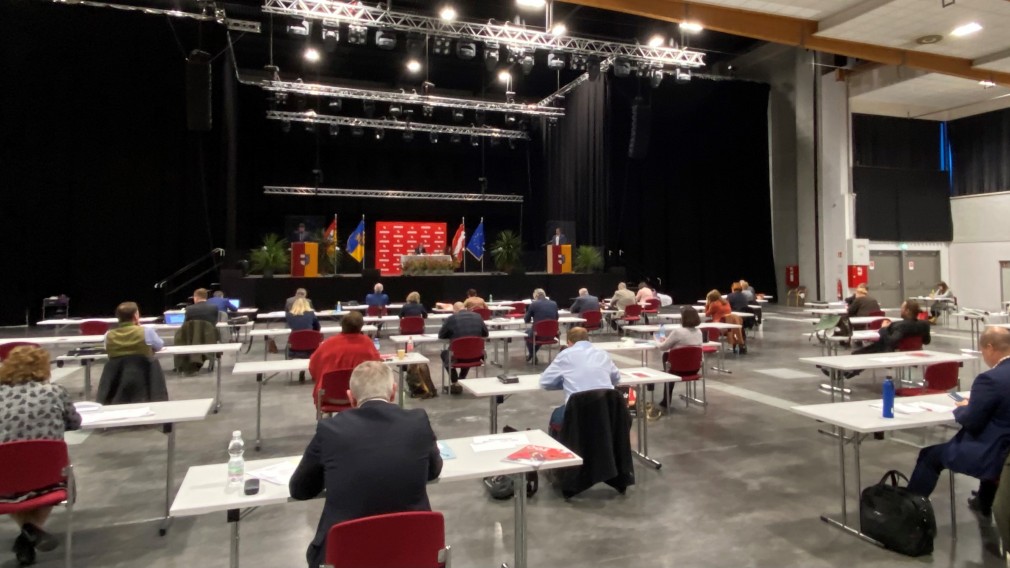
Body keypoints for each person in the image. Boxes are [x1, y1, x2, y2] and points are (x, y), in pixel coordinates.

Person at [290, 361, 442, 568]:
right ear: (393, 393)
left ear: (350, 398)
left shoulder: (329, 430)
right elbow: (433, 471)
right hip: (415, 551)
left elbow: (300, 489)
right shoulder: (418, 421)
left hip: (345, 555)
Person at [906, 327, 1010, 518]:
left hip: (995, 453)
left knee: (929, 456)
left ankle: (910, 511)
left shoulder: (990, 379)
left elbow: (972, 421)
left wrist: (963, 407)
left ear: (990, 347)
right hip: (1005, 450)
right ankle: (984, 502)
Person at [0, 346, 82, 565]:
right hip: (49, 479)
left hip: (4, 481)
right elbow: (75, 423)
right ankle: (30, 531)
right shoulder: (55, 392)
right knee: (49, 471)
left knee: (12, 478)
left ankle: (26, 535)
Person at [540, 327, 620, 434]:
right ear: (588, 340)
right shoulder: (603, 354)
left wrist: (565, 382)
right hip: (607, 410)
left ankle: (565, 448)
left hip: (577, 412)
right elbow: (616, 378)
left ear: (569, 342)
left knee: (557, 416)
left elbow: (545, 382)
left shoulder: (565, 355)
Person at [308, 311, 380, 403]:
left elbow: (313, 366)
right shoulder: (368, 343)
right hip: (360, 397)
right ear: (361, 326)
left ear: (342, 325)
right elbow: (377, 369)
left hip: (327, 396)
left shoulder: (327, 344)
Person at [655, 307, 704, 410]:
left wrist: (657, 341)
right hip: (694, 369)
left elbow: (663, 347)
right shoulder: (699, 332)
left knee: (666, 356)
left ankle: (666, 400)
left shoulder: (678, 332)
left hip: (676, 370)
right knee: (675, 358)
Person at [437, 302, 488, 394]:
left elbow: (441, 335)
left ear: (454, 310)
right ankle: (461, 380)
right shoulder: (478, 316)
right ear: (465, 308)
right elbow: (486, 334)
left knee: (444, 353)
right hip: (477, 356)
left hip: (458, 357)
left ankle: (455, 382)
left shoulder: (451, 319)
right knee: (468, 351)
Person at [853, 300, 931, 356]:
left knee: (857, 354)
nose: (901, 310)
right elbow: (926, 341)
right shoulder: (925, 324)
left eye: (902, 308)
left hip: (895, 352)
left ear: (907, 311)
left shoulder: (900, 326)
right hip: (916, 351)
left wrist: (883, 328)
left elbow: (890, 342)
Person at [525, 288, 559, 363]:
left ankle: (532, 354)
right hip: (552, 333)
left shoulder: (533, 304)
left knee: (527, 333)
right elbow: (556, 318)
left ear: (535, 295)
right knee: (540, 333)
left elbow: (526, 320)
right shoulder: (554, 303)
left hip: (538, 333)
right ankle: (532, 354)